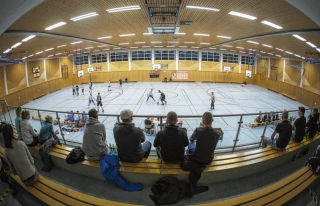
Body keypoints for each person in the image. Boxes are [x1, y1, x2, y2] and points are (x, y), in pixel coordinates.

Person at [180, 112, 221, 197]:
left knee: (188, 152)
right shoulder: (217, 133)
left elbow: (191, 139)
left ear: (202, 121)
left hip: (196, 158)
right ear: (212, 120)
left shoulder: (198, 130)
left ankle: (197, 166)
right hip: (208, 159)